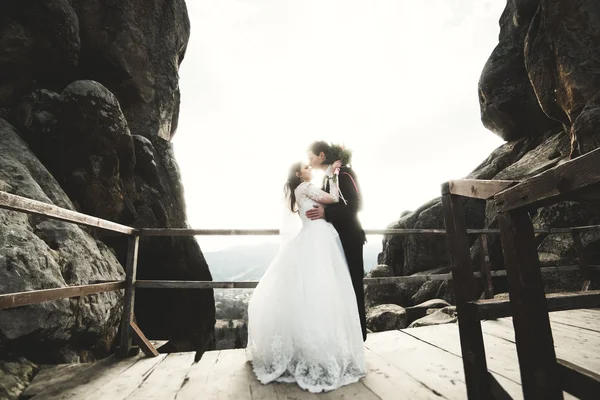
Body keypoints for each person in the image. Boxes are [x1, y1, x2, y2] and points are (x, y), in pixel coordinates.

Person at [246, 161, 366, 393]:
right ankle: (320, 349)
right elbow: (333, 198)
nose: (311, 168)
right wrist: (331, 175)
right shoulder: (306, 187)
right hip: (318, 241)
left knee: (315, 292)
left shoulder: (299, 190)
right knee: (323, 290)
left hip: (316, 239)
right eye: (306, 166)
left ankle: (318, 346)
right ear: (299, 174)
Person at [306, 141, 367, 341]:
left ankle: (359, 336)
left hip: (349, 238)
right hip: (334, 240)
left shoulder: (344, 173)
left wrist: (326, 212)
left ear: (322, 155)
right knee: (339, 287)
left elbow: (355, 204)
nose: (309, 161)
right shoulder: (328, 177)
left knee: (353, 286)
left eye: (311, 157)